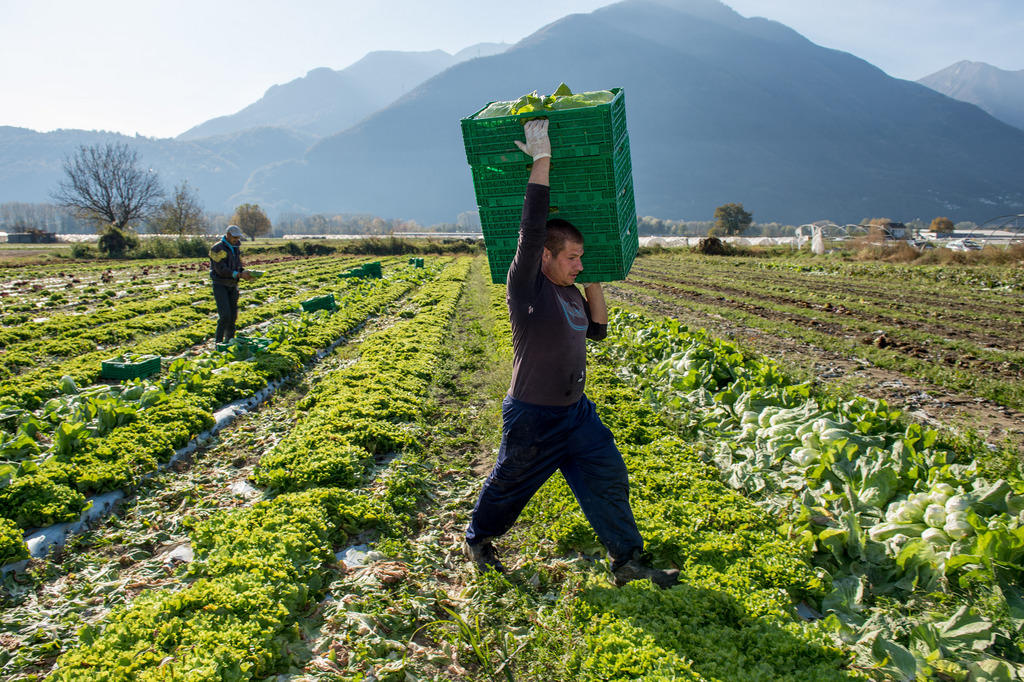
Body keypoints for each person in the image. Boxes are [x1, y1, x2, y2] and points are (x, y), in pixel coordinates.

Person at [464, 119, 679, 589]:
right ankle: (479, 538)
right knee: (510, 486)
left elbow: (598, 332)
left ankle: (626, 560)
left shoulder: (570, 294)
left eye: (582, 258)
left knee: (608, 476)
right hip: (533, 416)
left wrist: (594, 275)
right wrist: (543, 159)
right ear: (545, 255)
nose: (577, 264)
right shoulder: (528, 288)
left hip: (576, 414)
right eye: (572, 257)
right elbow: (531, 225)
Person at [209, 224, 253, 343]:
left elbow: (237, 265)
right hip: (220, 284)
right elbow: (220, 269)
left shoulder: (235, 248)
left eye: (238, 238)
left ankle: (229, 341)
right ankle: (218, 342)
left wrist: (244, 272)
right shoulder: (217, 249)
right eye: (235, 238)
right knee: (225, 316)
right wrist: (238, 275)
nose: (237, 240)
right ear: (228, 235)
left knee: (233, 316)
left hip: (233, 285)